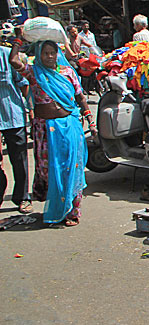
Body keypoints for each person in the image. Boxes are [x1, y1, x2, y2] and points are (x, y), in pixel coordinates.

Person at [9, 19, 94, 226]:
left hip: (69, 125)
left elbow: (80, 96)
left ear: (58, 54)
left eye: (53, 53)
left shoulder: (67, 73)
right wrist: (18, 39)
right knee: (49, 170)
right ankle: (56, 206)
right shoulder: (34, 73)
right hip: (45, 130)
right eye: (45, 53)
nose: (49, 57)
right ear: (39, 55)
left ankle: (73, 213)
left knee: (70, 168)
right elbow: (13, 61)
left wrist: (90, 119)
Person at [0, 37, 32, 213]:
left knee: (19, 160)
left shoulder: (7, 56)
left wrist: (31, 109)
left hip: (12, 116)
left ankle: (23, 197)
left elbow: (23, 84)